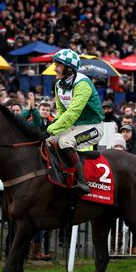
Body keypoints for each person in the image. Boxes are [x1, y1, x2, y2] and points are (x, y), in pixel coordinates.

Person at [45, 49, 104, 193]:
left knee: (65, 142)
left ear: (69, 68)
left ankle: (82, 181)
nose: (55, 68)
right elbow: (61, 112)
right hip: (74, 126)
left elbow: (72, 112)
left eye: (58, 65)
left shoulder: (83, 84)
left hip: (93, 127)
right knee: (47, 141)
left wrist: (52, 129)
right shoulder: (59, 84)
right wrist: (52, 126)